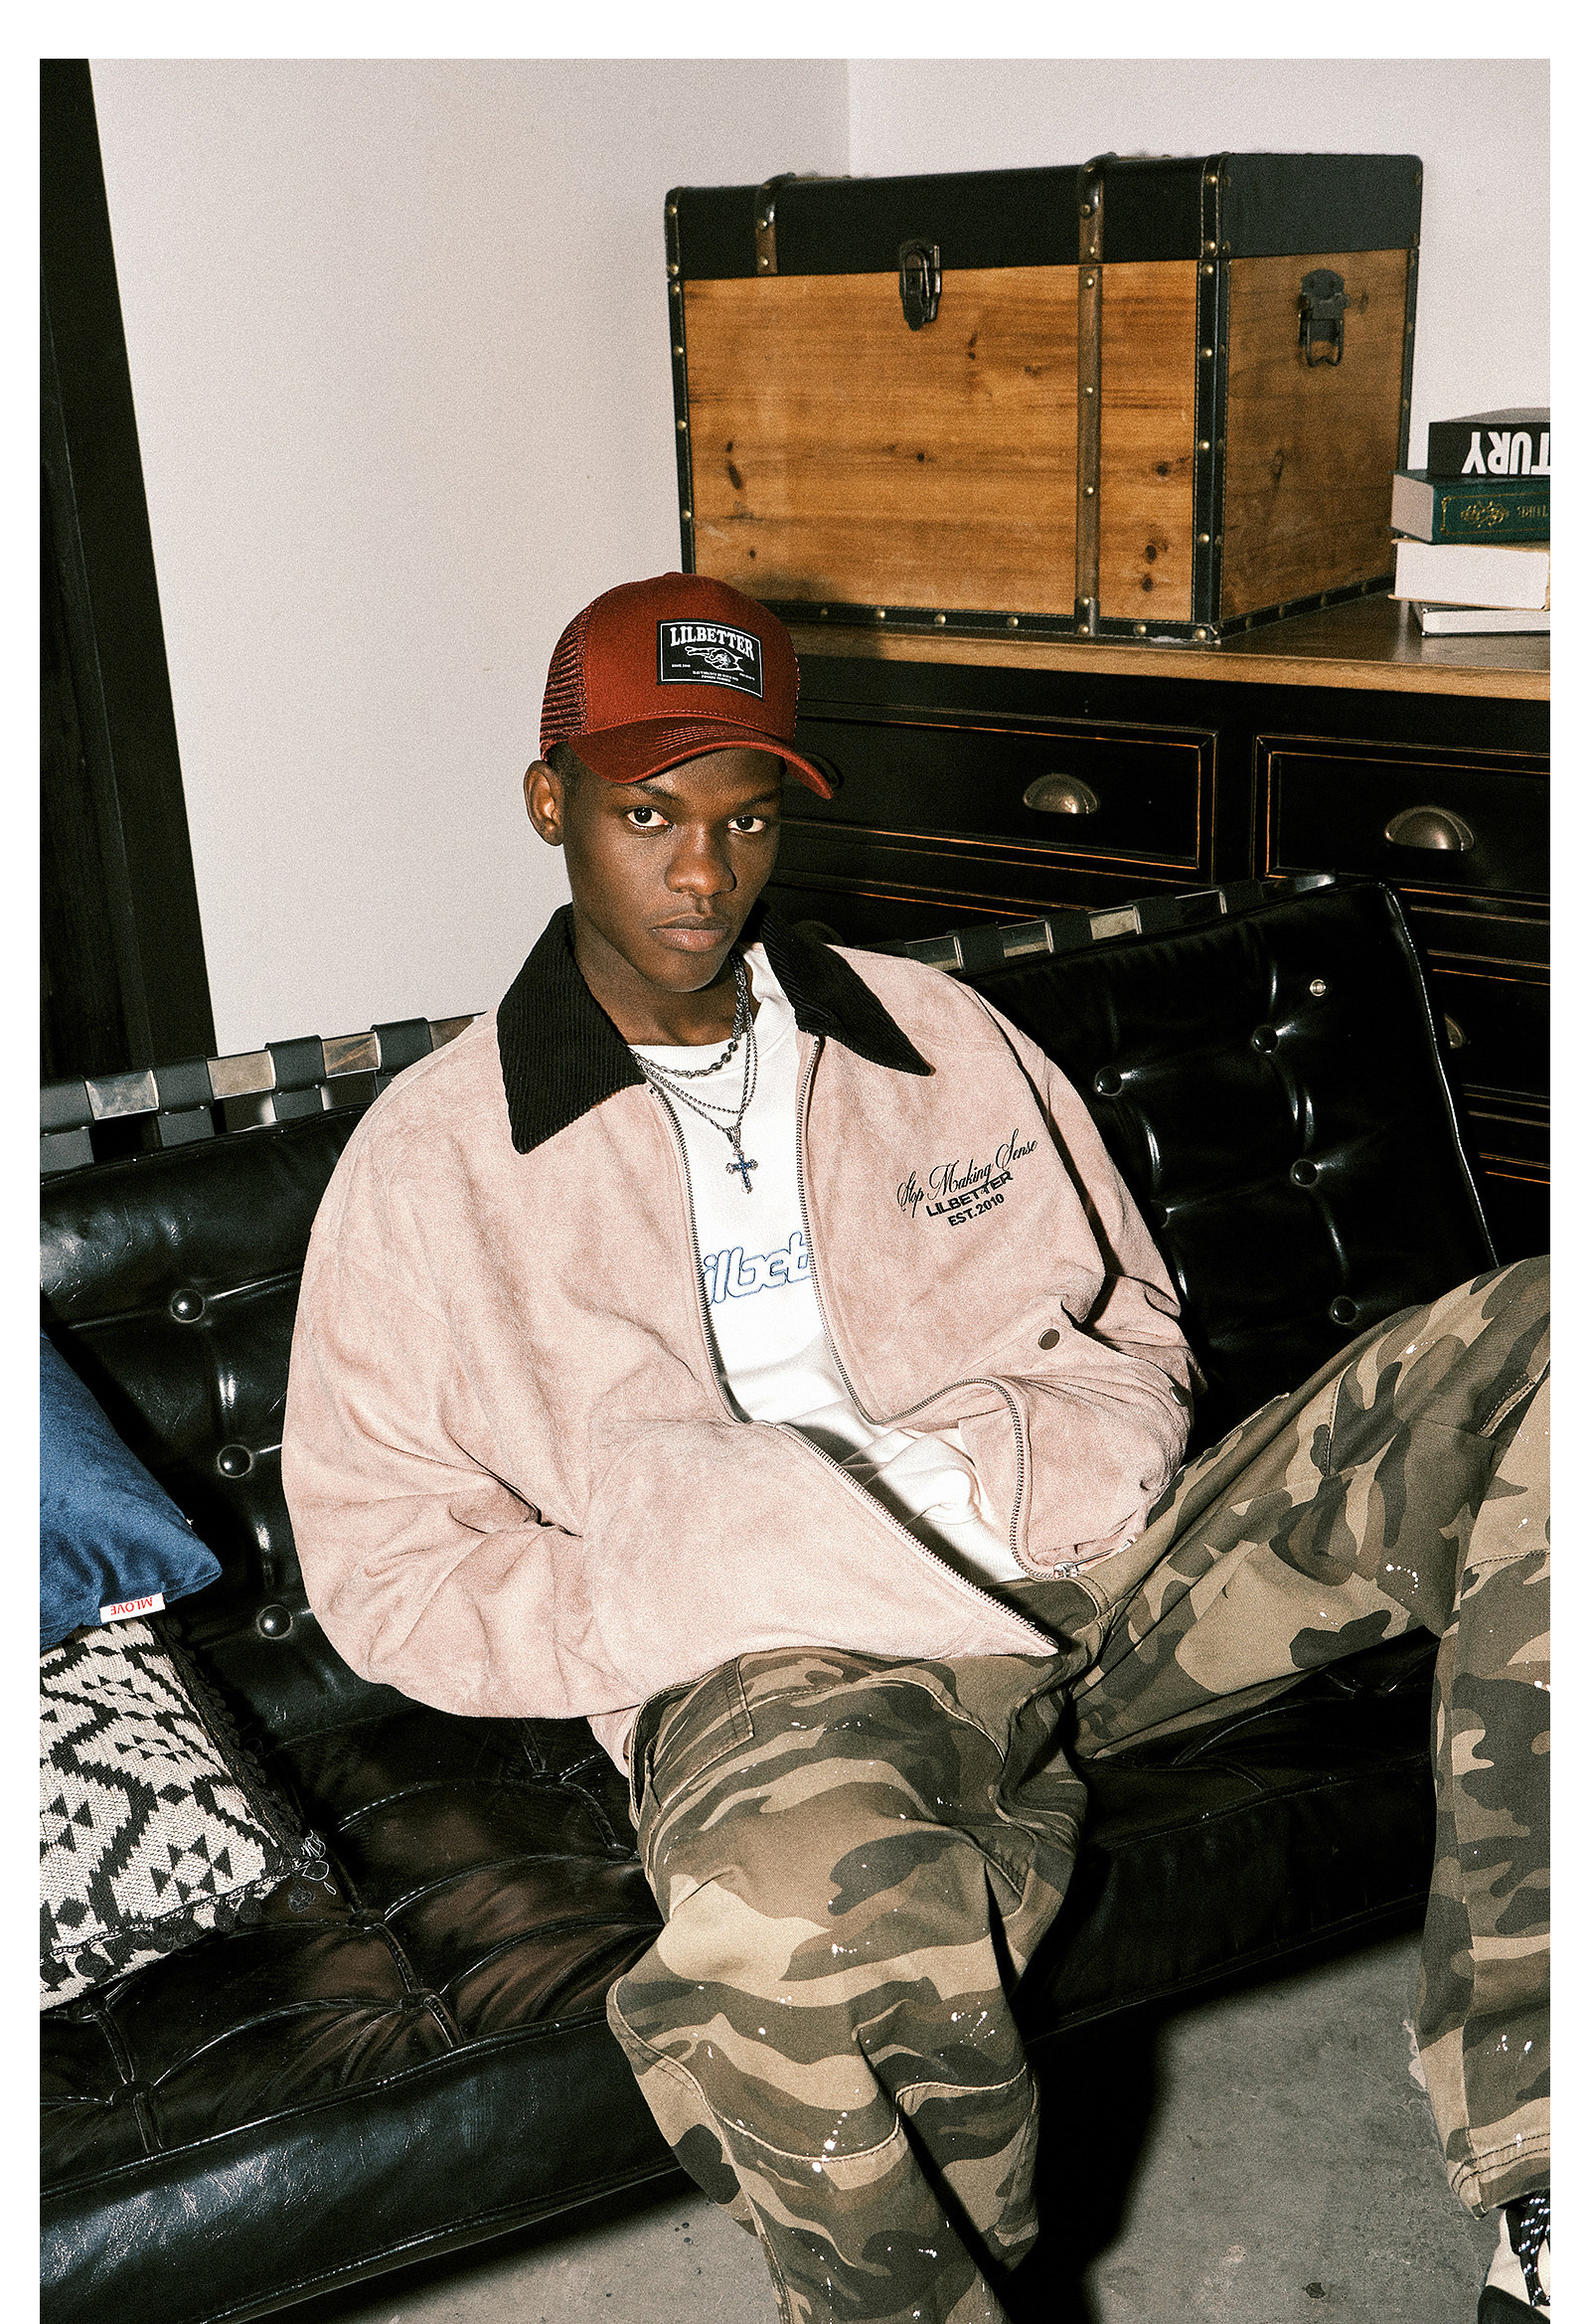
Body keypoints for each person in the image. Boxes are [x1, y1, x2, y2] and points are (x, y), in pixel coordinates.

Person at [281, 573, 1548, 2324]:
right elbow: (386, 1567)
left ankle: (1549, 2184)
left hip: (1097, 1566)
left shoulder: (930, 1035)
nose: (702, 872)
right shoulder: (434, 1161)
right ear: (549, 802)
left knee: (1547, 1346)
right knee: (784, 1933)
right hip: (785, 1661)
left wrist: (1043, 1459)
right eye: (648, 814)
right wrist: (674, 1586)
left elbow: (1133, 1329)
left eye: (744, 818)